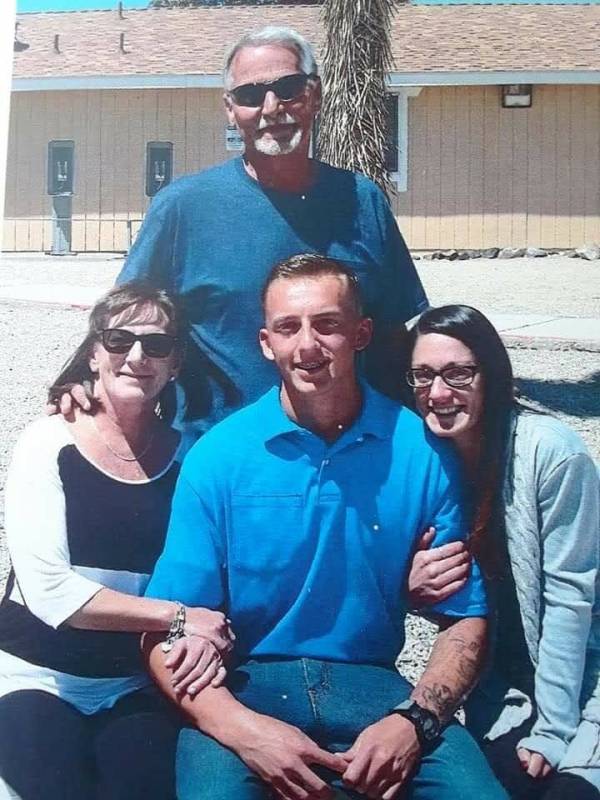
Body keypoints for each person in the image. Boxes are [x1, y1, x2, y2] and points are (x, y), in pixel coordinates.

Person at [142, 254, 508, 800]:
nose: (307, 346)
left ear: (361, 333)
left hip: (377, 690)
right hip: (245, 686)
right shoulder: (219, 456)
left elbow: (466, 620)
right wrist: (246, 732)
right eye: (289, 328)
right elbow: (163, 630)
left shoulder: (421, 450)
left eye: (327, 324)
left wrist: (416, 722)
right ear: (266, 343)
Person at [114, 26, 428, 436]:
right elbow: (125, 324)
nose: (271, 107)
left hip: (347, 454)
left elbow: (391, 337)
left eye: (288, 88)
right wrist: (79, 387)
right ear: (230, 109)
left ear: (314, 94)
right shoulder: (183, 207)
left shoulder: (361, 200)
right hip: (218, 460)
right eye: (249, 96)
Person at [0, 283, 234, 800]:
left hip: (130, 682)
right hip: (34, 675)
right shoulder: (50, 441)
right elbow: (49, 591)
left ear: (175, 362)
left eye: (155, 345)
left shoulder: (189, 458)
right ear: (93, 353)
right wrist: (179, 617)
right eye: (118, 339)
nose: (135, 356)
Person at [405, 304, 600, 800]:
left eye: (458, 373)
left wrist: (554, 731)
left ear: (491, 374)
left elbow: (569, 600)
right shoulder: (430, 460)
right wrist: (410, 590)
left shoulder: (551, 453)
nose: (439, 393)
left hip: (584, 678)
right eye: (423, 375)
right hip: (503, 687)